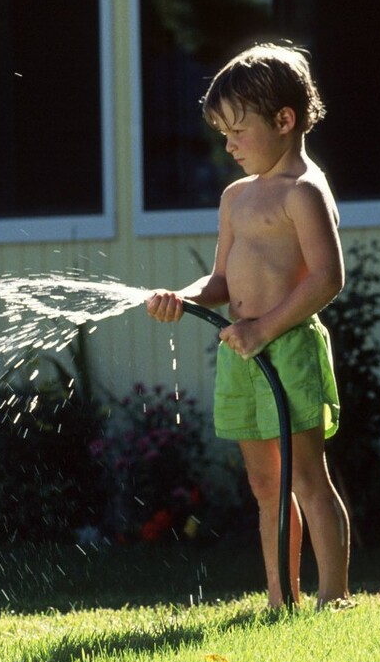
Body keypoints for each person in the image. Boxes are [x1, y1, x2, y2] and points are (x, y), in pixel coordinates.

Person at [145, 42, 351, 610]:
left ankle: (334, 597)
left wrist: (264, 328)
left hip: (285, 348)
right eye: (223, 133)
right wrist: (181, 297)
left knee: (308, 480)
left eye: (238, 131)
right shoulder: (236, 197)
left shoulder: (303, 192)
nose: (228, 145)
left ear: (285, 121)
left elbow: (327, 279)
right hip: (244, 351)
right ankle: (280, 599)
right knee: (267, 488)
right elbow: (221, 283)